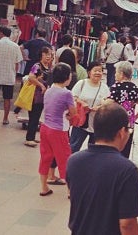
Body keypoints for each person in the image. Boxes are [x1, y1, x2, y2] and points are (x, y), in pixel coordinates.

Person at [67, 103, 138, 235]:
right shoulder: (127, 170)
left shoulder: (74, 161)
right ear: (121, 132)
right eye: (128, 130)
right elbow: (127, 224)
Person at [38, 63, 77, 197]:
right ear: (67, 77)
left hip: (45, 127)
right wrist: (70, 116)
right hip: (58, 131)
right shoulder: (67, 93)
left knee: (45, 157)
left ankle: (44, 187)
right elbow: (73, 112)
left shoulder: (49, 90)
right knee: (64, 159)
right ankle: (70, 191)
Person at [107, 61, 138, 158]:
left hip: (115, 122)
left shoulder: (116, 87)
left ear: (121, 74)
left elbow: (107, 103)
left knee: (112, 148)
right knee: (125, 149)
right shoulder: (134, 87)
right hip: (129, 124)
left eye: (116, 72)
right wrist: (134, 118)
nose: (115, 74)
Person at [70, 61, 110, 152]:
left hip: (96, 123)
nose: (98, 73)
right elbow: (73, 97)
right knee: (74, 147)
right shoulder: (82, 83)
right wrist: (82, 103)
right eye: (95, 70)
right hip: (81, 121)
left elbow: (108, 103)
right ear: (89, 72)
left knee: (94, 151)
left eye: (100, 71)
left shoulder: (105, 88)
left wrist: (99, 107)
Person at [22, 46, 51, 147]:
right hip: (35, 96)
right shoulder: (37, 66)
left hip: (42, 97)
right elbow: (31, 77)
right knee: (33, 116)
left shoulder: (48, 67)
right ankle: (29, 138)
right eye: (46, 54)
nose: (48, 56)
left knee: (36, 116)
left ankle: (32, 136)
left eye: (50, 54)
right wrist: (41, 85)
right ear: (41, 55)